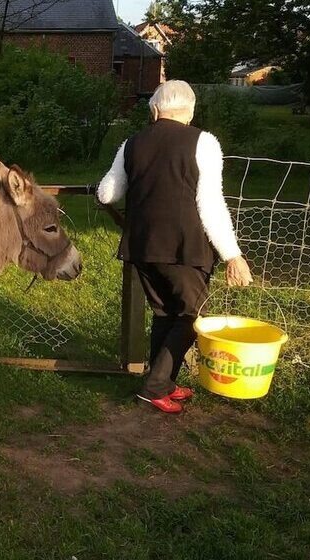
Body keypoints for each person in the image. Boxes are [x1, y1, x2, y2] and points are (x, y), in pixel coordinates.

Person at [97, 80, 253, 414]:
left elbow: (106, 194)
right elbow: (210, 203)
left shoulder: (131, 144)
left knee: (165, 314)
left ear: (154, 109)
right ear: (191, 111)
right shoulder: (204, 143)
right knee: (189, 317)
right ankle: (155, 387)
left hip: (141, 247)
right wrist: (232, 254)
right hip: (185, 249)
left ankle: (163, 384)